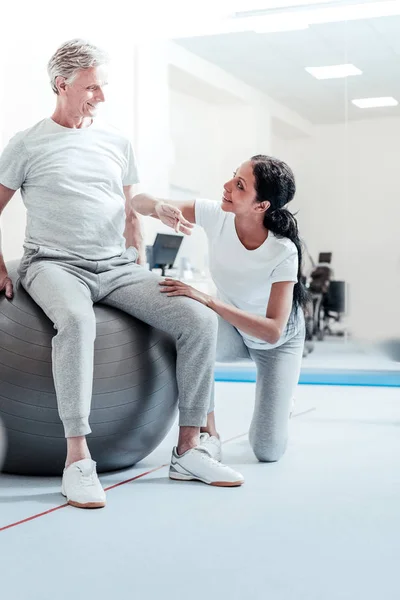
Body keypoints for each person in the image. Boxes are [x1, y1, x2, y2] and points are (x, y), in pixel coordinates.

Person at [0, 39, 244, 509]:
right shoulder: (28, 144)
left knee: (198, 320)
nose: (102, 97)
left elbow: (133, 200)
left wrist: (156, 214)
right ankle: (77, 461)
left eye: (103, 86)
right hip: (54, 264)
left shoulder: (115, 141)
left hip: (115, 266)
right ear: (62, 84)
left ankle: (188, 448)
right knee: (77, 322)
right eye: (93, 87)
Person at [132, 155, 308, 463]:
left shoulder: (282, 251)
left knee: (267, 451)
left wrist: (209, 300)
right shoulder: (216, 215)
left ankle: (283, 400)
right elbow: (138, 201)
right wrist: (159, 207)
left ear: (261, 205)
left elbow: (272, 331)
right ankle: (208, 433)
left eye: (240, 185)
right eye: (233, 176)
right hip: (235, 331)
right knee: (193, 333)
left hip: (278, 342)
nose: (226, 186)